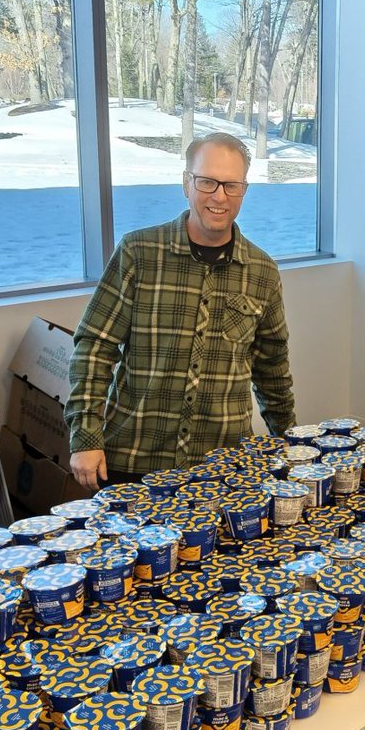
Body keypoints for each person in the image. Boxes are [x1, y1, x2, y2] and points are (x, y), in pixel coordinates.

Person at [66, 132, 296, 489]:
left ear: (243, 191)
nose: (219, 196)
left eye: (231, 185)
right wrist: (86, 437)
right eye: (207, 182)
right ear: (186, 183)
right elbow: (94, 348)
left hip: (226, 464)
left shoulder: (262, 271)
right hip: (135, 459)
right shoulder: (138, 253)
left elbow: (272, 368)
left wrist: (289, 441)